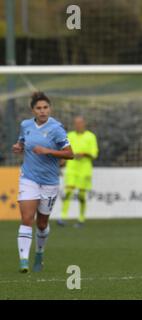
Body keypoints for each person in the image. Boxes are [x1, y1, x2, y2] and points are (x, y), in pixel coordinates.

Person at [12, 92, 74, 273]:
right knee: (26, 218)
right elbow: (22, 142)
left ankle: (39, 252)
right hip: (28, 178)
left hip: (49, 182)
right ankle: (24, 260)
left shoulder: (57, 129)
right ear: (33, 110)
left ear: (50, 109)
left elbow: (70, 154)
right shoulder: (26, 125)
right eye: (38, 108)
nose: (42, 111)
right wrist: (19, 147)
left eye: (45, 107)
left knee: (41, 224)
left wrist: (48, 151)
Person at [58, 116, 98, 228]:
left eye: (80, 123)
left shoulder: (91, 136)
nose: (78, 125)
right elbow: (65, 151)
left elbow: (94, 154)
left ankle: (81, 219)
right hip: (71, 167)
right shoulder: (69, 135)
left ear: (84, 124)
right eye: (76, 123)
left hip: (85, 169)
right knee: (68, 192)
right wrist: (61, 161)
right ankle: (63, 217)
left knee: (81, 195)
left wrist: (84, 154)